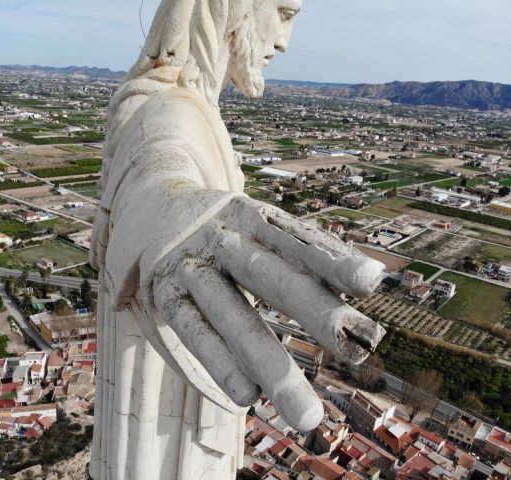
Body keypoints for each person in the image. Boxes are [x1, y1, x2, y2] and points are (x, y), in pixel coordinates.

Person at [90, 1, 386, 479]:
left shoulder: (194, 108)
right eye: (284, 12)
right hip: (162, 435)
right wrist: (170, 213)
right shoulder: (169, 109)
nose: (285, 40)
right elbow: (158, 163)